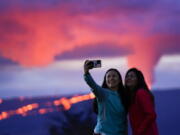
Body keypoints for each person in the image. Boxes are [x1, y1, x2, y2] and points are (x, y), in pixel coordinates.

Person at [83, 60, 127, 135]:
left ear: (119, 80)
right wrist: (86, 72)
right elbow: (92, 84)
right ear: (105, 80)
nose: (111, 78)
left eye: (114, 76)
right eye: (108, 76)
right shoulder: (103, 93)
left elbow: (123, 120)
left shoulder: (124, 96)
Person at [125, 68, 159, 135]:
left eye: (132, 76)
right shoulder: (131, 96)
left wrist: (139, 131)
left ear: (138, 79)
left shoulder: (141, 93)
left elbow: (151, 115)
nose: (128, 78)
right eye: (127, 76)